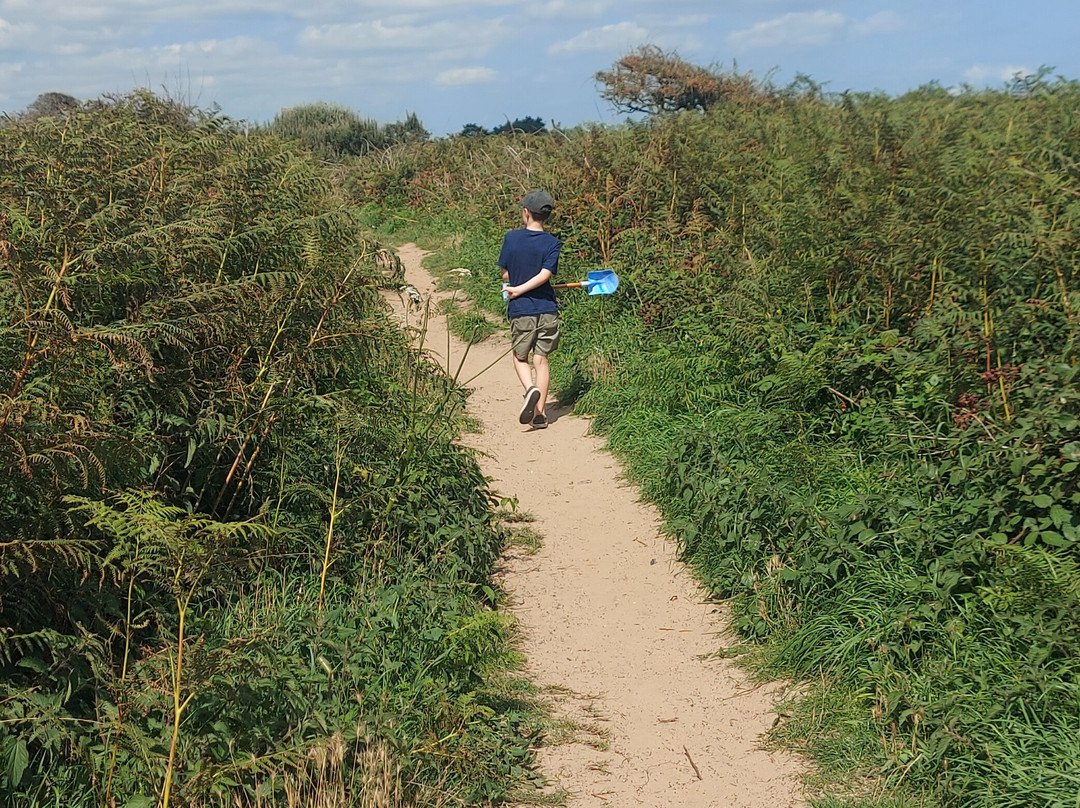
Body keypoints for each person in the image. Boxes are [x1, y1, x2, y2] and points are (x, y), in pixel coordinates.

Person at [499, 189, 562, 429]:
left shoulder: (511, 238)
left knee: (519, 356)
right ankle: (540, 415)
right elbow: (545, 275)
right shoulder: (553, 243)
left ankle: (530, 389)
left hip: (521, 309)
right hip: (547, 309)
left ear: (526, 212)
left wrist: (517, 289)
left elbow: (505, 274)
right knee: (541, 359)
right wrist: (526, 285)